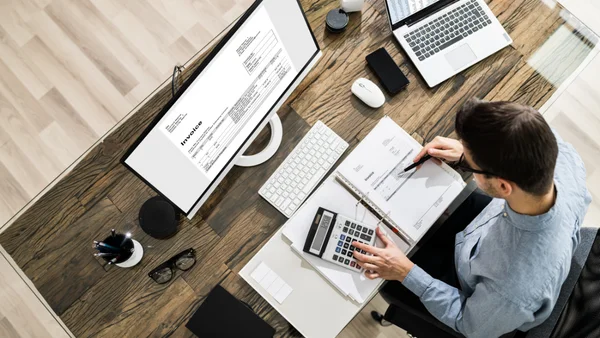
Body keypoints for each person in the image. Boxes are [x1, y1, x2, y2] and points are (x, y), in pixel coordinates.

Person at [352, 98, 592, 338]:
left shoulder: (513, 287)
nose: (468, 163)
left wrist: (404, 272)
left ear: (503, 185)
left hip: (474, 296)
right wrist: (469, 155)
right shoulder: (562, 157)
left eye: (474, 167)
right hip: (485, 231)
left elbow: (468, 323)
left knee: (381, 269)